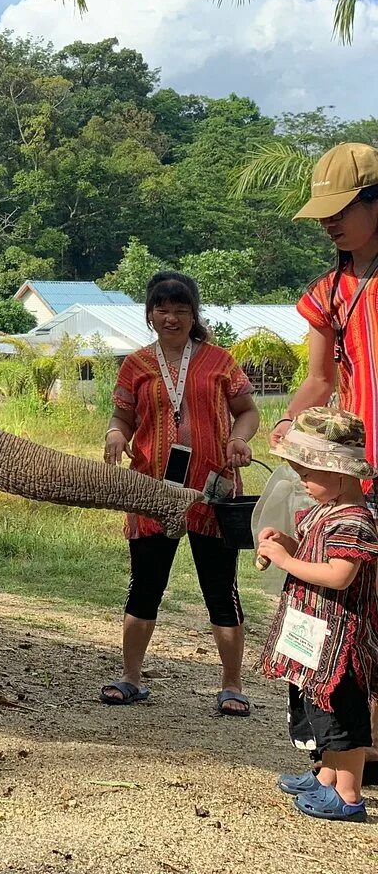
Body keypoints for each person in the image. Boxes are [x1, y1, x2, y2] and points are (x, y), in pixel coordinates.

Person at [101, 271, 259, 713]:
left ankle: (232, 685)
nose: (171, 317)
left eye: (181, 310)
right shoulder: (135, 364)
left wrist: (239, 439)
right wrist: (116, 434)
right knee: (144, 586)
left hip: (214, 491)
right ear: (150, 314)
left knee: (220, 588)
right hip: (152, 490)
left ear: (194, 314)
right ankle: (131, 677)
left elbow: (247, 411)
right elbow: (122, 418)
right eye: (162, 309)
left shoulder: (219, 361)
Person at [274, 142, 378, 767]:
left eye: (343, 208)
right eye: (324, 213)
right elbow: (318, 380)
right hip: (352, 470)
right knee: (345, 608)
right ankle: (341, 758)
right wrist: (289, 425)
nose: (330, 222)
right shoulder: (330, 290)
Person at [258, 407, 378, 822]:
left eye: (307, 471)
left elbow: (339, 575)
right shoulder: (325, 510)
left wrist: (285, 561)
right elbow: (314, 554)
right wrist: (286, 543)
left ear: (341, 474)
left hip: (341, 642)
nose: (301, 481)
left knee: (343, 716)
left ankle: (348, 794)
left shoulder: (355, 521)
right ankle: (326, 775)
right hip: (317, 637)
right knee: (320, 713)